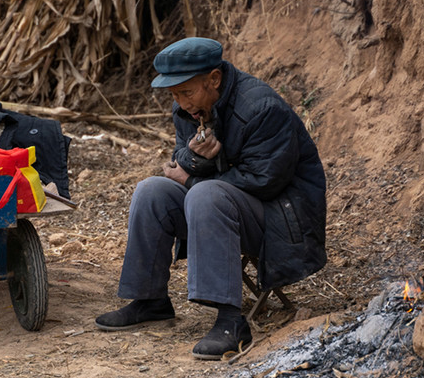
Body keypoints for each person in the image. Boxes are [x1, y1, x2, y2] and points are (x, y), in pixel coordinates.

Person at [95, 37, 327, 359]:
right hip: (228, 207)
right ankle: (150, 300)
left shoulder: (261, 108)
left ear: (214, 79)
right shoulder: (189, 106)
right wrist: (195, 159)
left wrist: (192, 177)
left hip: (283, 221)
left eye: (186, 92)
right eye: (173, 94)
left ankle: (231, 321)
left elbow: (265, 182)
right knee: (152, 191)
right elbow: (182, 155)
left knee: (205, 193)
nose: (180, 103)